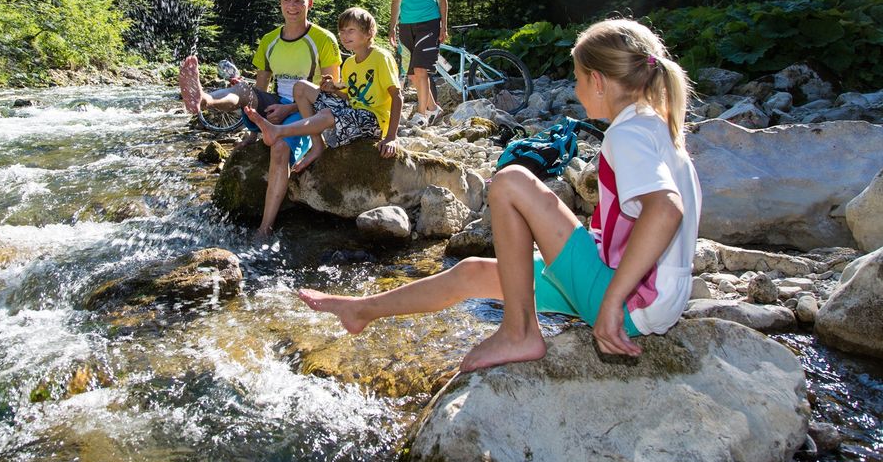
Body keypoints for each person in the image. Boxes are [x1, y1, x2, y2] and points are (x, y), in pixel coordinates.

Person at [298, 18, 702, 373]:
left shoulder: (628, 133)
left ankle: (519, 331)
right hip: (642, 293)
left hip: (629, 300)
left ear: (598, 80)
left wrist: (612, 302)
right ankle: (360, 310)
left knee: (509, 180)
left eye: (578, 80)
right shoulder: (656, 128)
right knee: (473, 271)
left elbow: (666, 210)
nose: (577, 91)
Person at [179, 0, 341, 238]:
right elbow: (259, 89)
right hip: (275, 102)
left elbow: (330, 90)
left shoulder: (323, 39)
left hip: (306, 108)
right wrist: (252, 131)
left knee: (278, 148)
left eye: (298, 2)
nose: (292, 7)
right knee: (243, 89)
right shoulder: (269, 40)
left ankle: (264, 228)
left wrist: (287, 111)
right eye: (287, 1)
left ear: (309, 4)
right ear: (280, 4)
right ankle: (204, 100)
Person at [246, 7, 402, 172]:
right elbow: (349, 98)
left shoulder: (381, 57)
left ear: (368, 33)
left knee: (327, 114)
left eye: (351, 30)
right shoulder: (349, 63)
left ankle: (278, 131)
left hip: (374, 120)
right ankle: (317, 144)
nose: (344, 35)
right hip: (353, 112)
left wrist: (391, 137)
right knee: (301, 87)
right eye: (342, 31)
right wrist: (333, 89)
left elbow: (397, 96)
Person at [388, 0, 448, 127]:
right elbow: (396, 0)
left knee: (421, 70)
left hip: (428, 22)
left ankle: (422, 114)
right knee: (413, 74)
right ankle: (433, 108)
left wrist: (443, 26)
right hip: (406, 24)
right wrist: (391, 28)